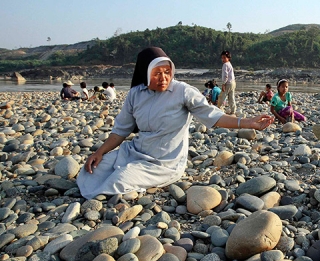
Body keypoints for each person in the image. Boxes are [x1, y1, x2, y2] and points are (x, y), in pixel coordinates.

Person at [76, 47, 274, 199]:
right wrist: (99, 153)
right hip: (133, 151)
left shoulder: (182, 91)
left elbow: (213, 116)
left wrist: (248, 122)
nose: (163, 78)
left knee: (120, 179)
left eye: (166, 72)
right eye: (157, 73)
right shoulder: (135, 94)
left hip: (165, 161)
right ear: (145, 73)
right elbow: (120, 131)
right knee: (92, 171)